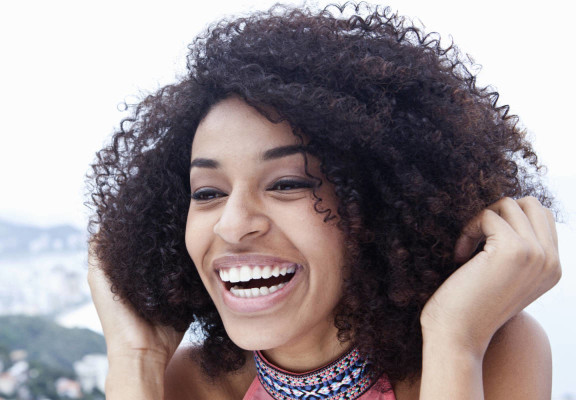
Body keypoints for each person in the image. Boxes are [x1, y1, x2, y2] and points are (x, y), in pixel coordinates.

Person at [86, 3, 561, 399]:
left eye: (287, 184)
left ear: (379, 207)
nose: (232, 226)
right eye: (208, 192)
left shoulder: (488, 352)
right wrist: (135, 361)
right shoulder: (180, 385)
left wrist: (454, 343)